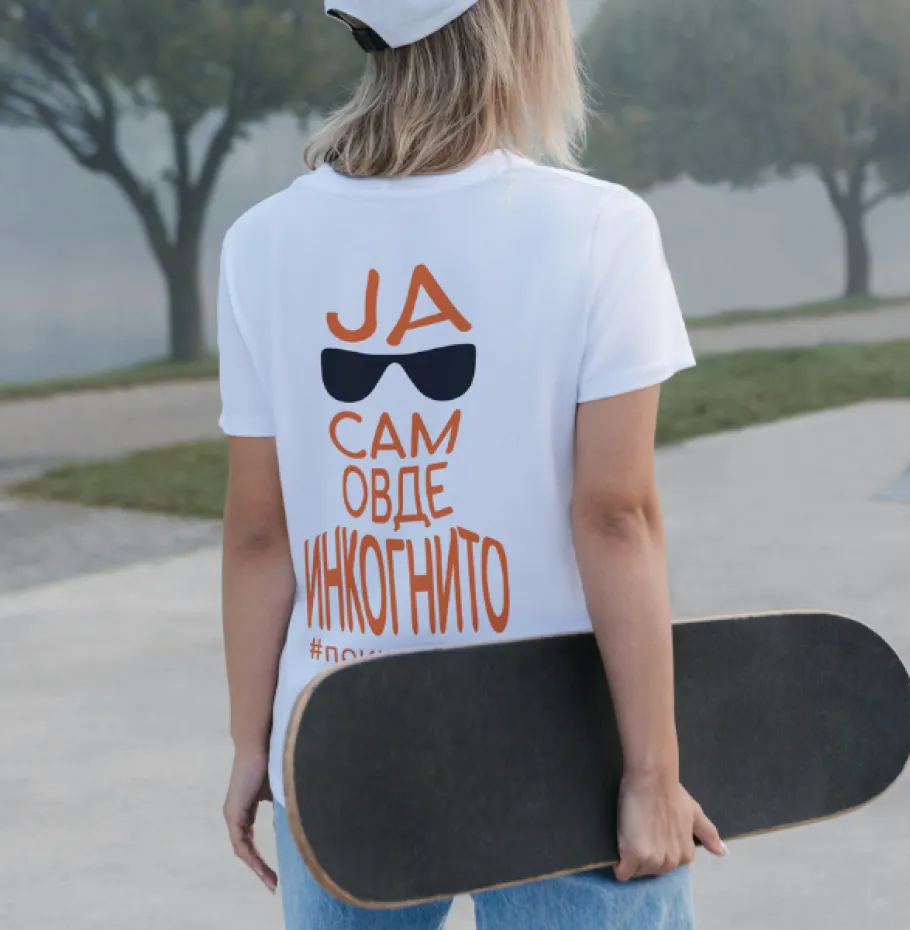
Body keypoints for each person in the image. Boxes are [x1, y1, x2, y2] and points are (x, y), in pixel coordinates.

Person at [218, 1, 727, 927]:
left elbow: (260, 532)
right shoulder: (597, 228)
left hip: (336, 741)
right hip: (556, 748)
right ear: (515, 27)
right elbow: (614, 516)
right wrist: (654, 774)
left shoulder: (261, 242)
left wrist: (253, 742)